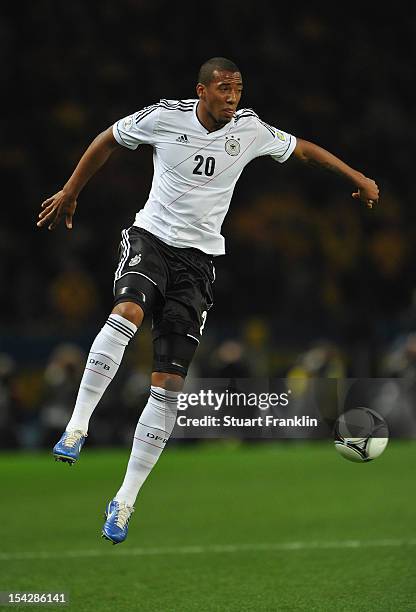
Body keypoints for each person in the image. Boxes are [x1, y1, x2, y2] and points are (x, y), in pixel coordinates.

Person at [37, 57, 379, 544]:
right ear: (202, 90)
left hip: (197, 265)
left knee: (169, 384)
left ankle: (125, 499)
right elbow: (107, 139)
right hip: (150, 239)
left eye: (237, 87)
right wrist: (71, 191)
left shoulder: (250, 129)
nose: (232, 95)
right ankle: (77, 425)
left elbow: (302, 149)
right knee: (128, 311)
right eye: (223, 88)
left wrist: (357, 176)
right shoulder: (165, 116)